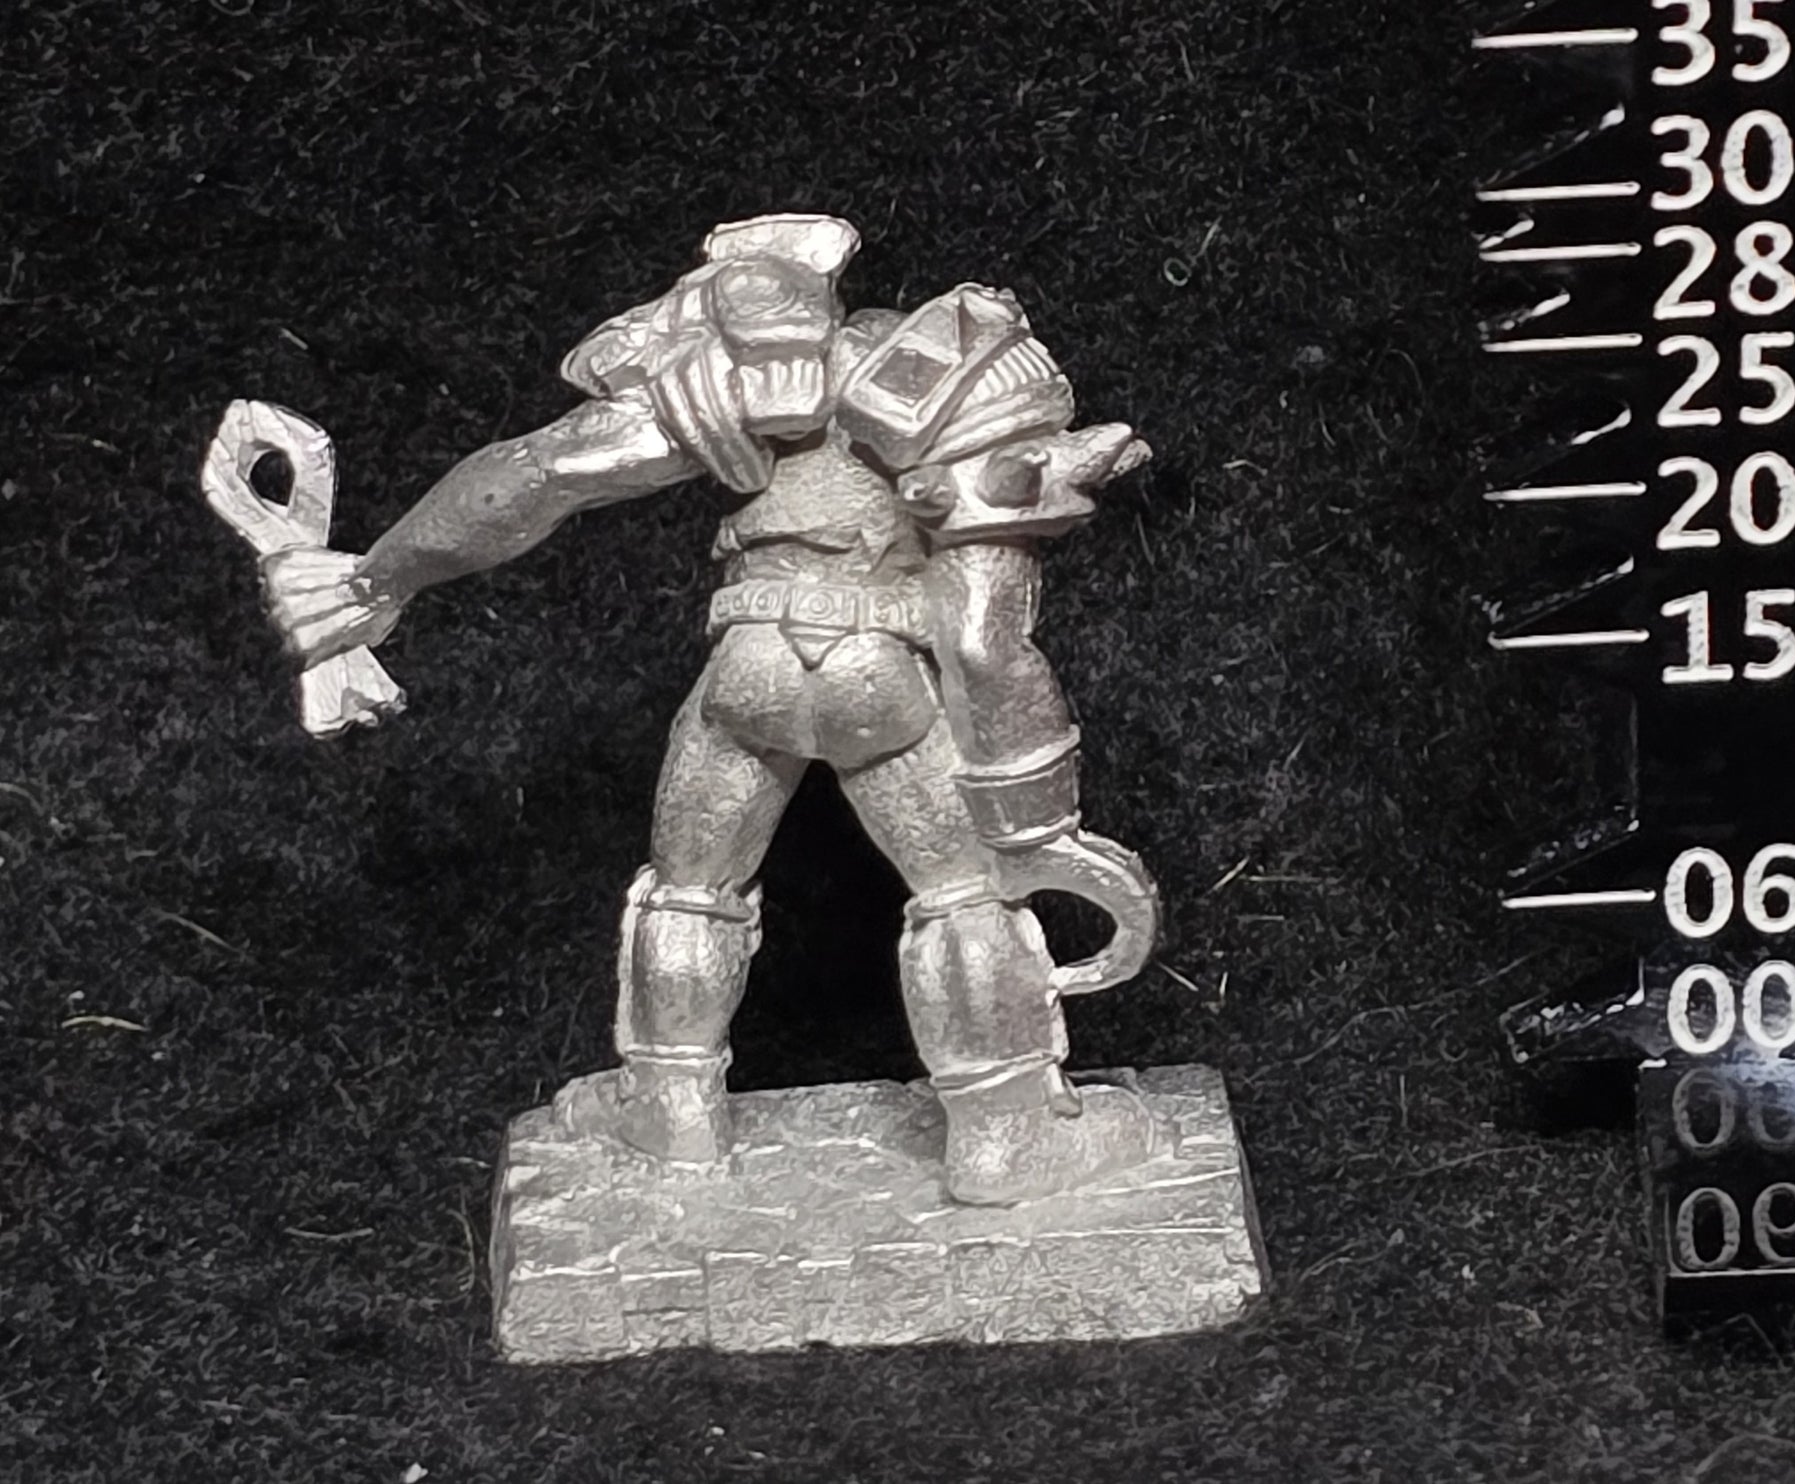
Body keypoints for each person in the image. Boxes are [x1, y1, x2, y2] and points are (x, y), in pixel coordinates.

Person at [260, 214, 1161, 1204]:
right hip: (876, 666)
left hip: (749, 660)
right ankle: (1005, 1134)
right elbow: (984, 636)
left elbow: (532, 476)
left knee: (690, 886)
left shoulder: (732, 383)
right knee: (965, 893)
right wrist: (1038, 821)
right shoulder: (951, 381)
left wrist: (374, 581)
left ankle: (670, 1105)